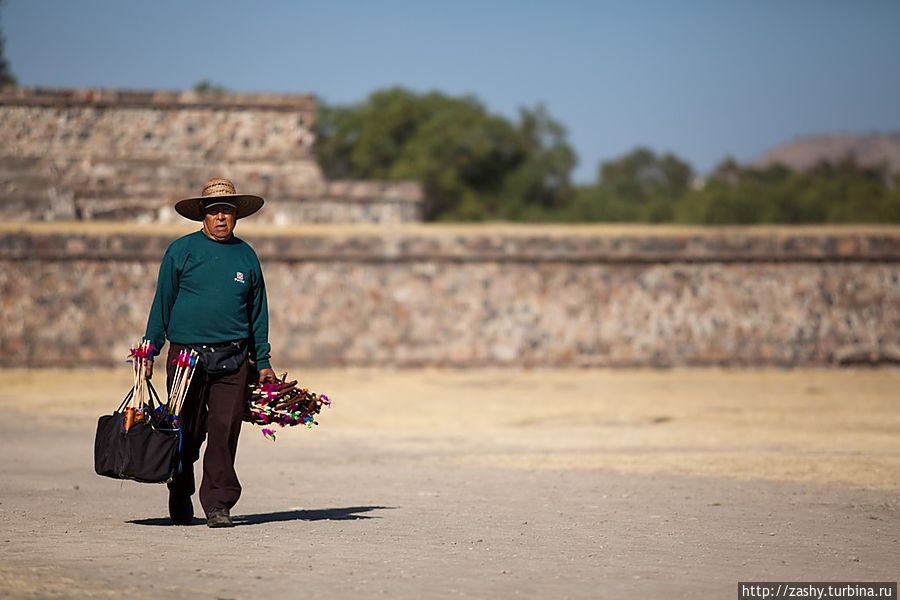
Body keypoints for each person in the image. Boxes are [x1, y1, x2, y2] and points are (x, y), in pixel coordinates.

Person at [143, 177, 277, 528]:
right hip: (187, 358)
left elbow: (258, 312)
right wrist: (150, 350)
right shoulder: (181, 251)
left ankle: (218, 503)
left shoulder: (246, 256)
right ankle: (179, 487)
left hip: (233, 359)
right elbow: (163, 303)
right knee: (187, 430)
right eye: (214, 211)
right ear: (203, 215)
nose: (221, 218)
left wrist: (262, 361)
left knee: (224, 430)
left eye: (227, 212)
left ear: (236, 217)